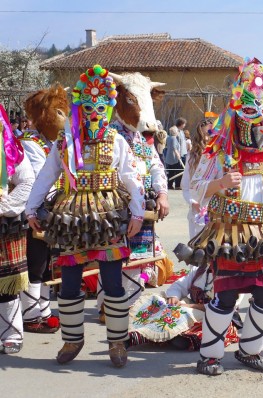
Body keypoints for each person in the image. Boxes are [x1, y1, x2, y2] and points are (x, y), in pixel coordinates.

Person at [26, 64, 145, 368]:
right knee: (68, 282)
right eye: (88, 106)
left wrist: (137, 212)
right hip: (71, 217)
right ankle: (72, 339)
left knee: (112, 282)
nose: (94, 112)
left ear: (108, 109)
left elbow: (131, 177)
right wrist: (31, 209)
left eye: (101, 106)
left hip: (108, 213)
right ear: (80, 106)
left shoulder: (117, 141)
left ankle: (117, 343)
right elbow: (46, 175)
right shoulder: (65, 142)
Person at [186, 58, 263, 376]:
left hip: (262, 231)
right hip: (228, 233)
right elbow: (194, 191)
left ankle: (249, 351)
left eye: (259, 119)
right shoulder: (218, 149)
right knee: (226, 296)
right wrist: (221, 183)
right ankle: (210, 355)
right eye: (248, 117)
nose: (254, 126)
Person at [97, 71, 171, 320]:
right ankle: (108, 304)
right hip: (113, 206)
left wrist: (162, 193)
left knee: (138, 257)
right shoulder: (106, 135)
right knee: (109, 256)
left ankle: (127, 303)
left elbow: (156, 165)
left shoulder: (141, 139)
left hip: (142, 206)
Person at [18, 84, 68, 334]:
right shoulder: (31, 143)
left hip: (52, 210)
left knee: (48, 263)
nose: (64, 118)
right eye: (58, 113)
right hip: (33, 210)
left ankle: (44, 309)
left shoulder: (52, 142)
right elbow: (40, 178)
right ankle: (30, 315)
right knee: (35, 262)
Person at [126, 266, 239, 351]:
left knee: (181, 314)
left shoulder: (233, 276)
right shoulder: (200, 269)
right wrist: (174, 297)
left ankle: (135, 338)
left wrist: (189, 306)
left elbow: (223, 306)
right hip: (192, 307)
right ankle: (138, 331)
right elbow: (179, 285)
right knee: (157, 301)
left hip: (215, 314)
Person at [0, 105, 34, 354]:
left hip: (3, 223)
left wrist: (5, 206)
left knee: (5, 281)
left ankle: (11, 333)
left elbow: (27, 181)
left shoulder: (11, 151)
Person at [182, 118, 213, 238]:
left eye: (209, 134)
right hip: (197, 211)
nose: (206, 138)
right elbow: (185, 186)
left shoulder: (222, 157)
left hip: (216, 211)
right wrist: (192, 202)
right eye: (204, 134)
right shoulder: (192, 157)